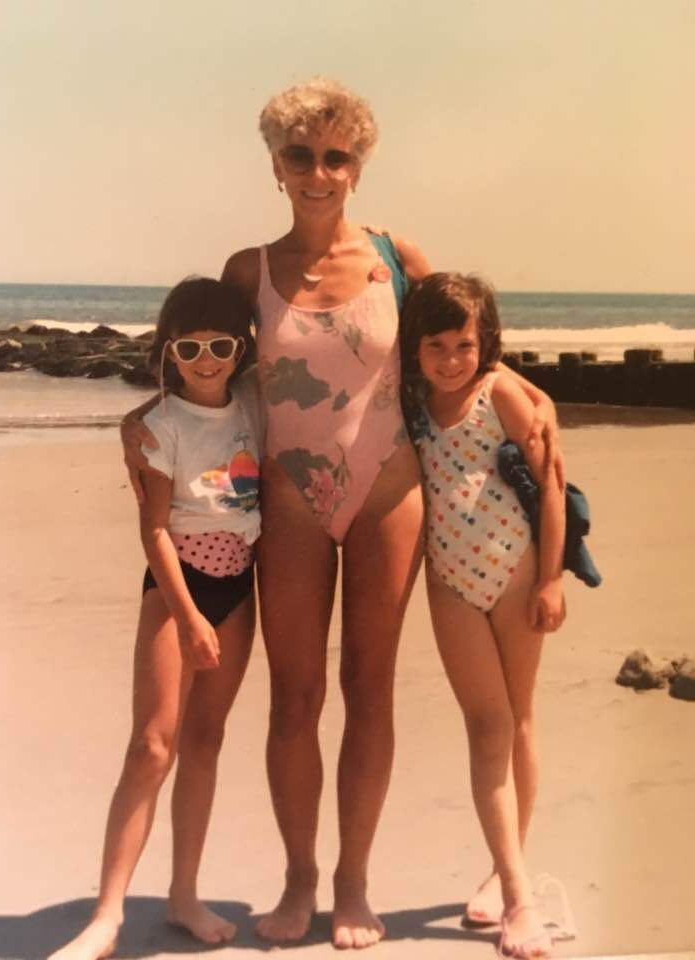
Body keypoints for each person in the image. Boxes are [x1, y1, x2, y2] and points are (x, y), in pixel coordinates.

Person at [122, 78, 562, 949]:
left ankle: (353, 884)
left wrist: (522, 387)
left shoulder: (396, 255)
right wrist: (146, 424)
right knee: (295, 697)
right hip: (285, 502)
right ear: (276, 166)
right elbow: (200, 364)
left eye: (337, 156)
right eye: (300, 155)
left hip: (387, 496)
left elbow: (464, 345)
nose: (318, 172)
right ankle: (299, 880)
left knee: (369, 690)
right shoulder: (249, 269)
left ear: (357, 167)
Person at [49, 278, 261, 960]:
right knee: (151, 745)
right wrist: (189, 615)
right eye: (191, 347)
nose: (207, 359)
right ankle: (105, 916)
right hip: (179, 589)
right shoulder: (158, 428)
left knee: (205, 742)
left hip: (240, 586)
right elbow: (155, 532)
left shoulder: (254, 405)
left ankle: (184, 895)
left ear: (241, 348)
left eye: (221, 345)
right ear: (170, 350)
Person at [400, 272, 566, 959]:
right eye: (434, 345)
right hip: (450, 583)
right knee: (486, 724)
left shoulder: (497, 390)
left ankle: (511, 881)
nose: (449, 358)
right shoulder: (410, 401)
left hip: (517, 573)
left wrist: (552, 578)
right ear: (414, 350)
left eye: (463, 344)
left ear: (484, 342)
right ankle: (515, 881)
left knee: (518, 718)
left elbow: (552, 480)